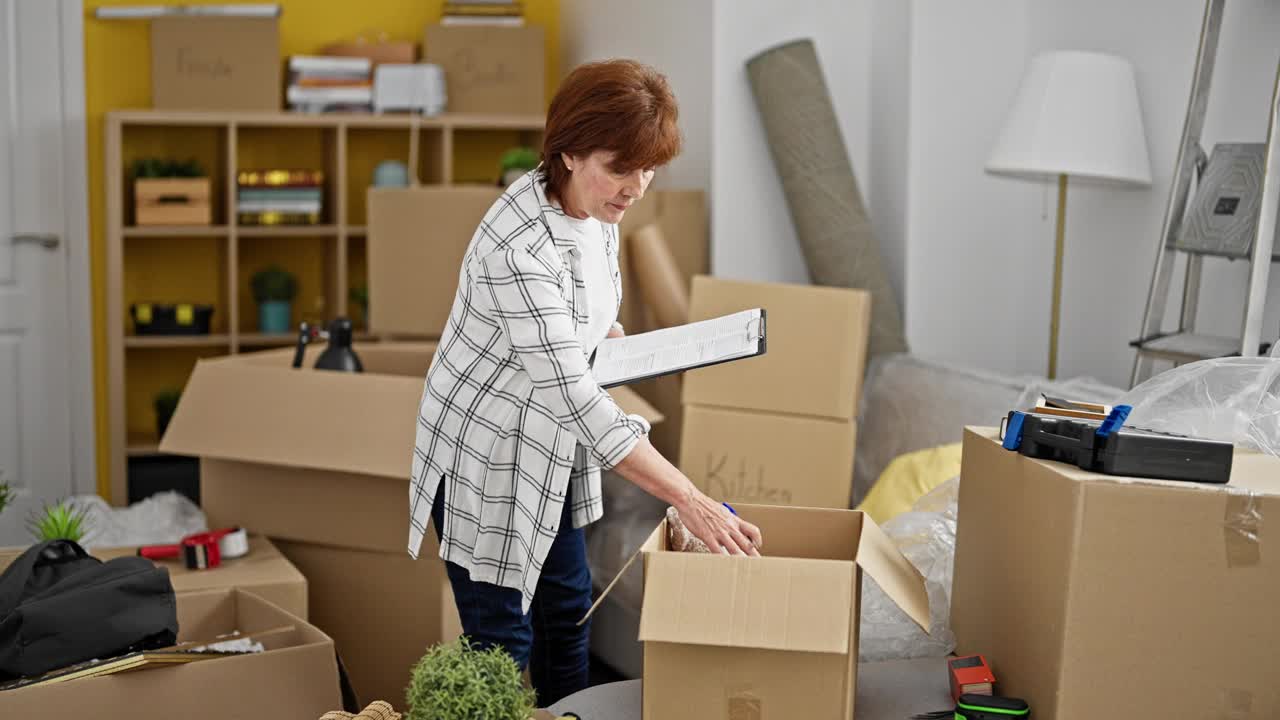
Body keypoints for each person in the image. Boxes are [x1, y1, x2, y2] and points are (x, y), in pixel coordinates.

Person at [405, 59, 764, 705]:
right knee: (501, 644)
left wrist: (609, 336)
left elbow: (582, 315)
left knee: (567, 617)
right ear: (568, 152)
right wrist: (688, 497)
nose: (637, 188)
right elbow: (573, 395)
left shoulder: (596, 205)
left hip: (550, 445)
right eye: (621, 167)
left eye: (649, 168)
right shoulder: (519, 250)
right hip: (487, 457)